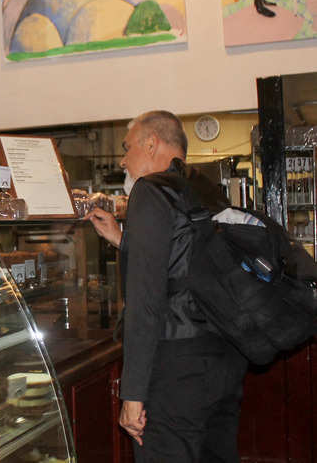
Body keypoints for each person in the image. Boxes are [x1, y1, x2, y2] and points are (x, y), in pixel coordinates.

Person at [85, 110, 248, 462]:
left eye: (127, 148)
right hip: (224, 357)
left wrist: (133, 394)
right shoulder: (202, 186)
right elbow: (183, 262)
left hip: (177, 367)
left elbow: (146, 300)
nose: (123, 160)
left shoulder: (151, 190)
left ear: (151, 143)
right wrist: (122, 238)